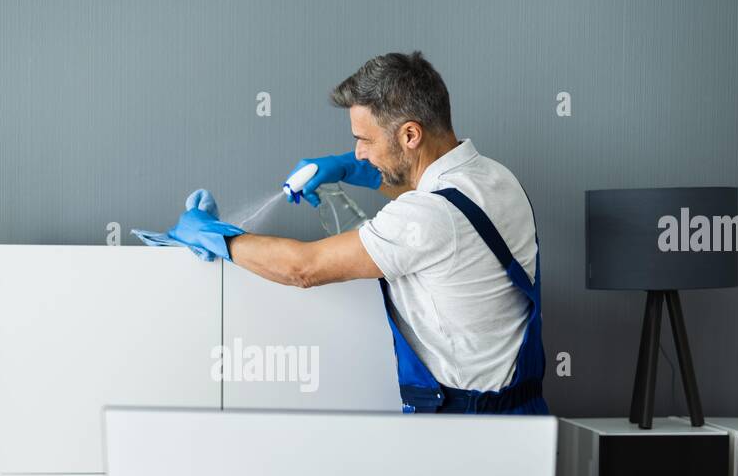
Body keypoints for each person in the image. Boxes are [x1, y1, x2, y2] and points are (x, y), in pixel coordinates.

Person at [139, 50, 548, 415]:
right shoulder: (495, 177)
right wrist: (356, 173)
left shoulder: (423, 217)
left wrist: (213, 235)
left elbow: (303, 268)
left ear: (410, 134)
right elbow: (442, 206)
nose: (358, 153)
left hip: (469, 430)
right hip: (521, 414)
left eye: (363, 141)